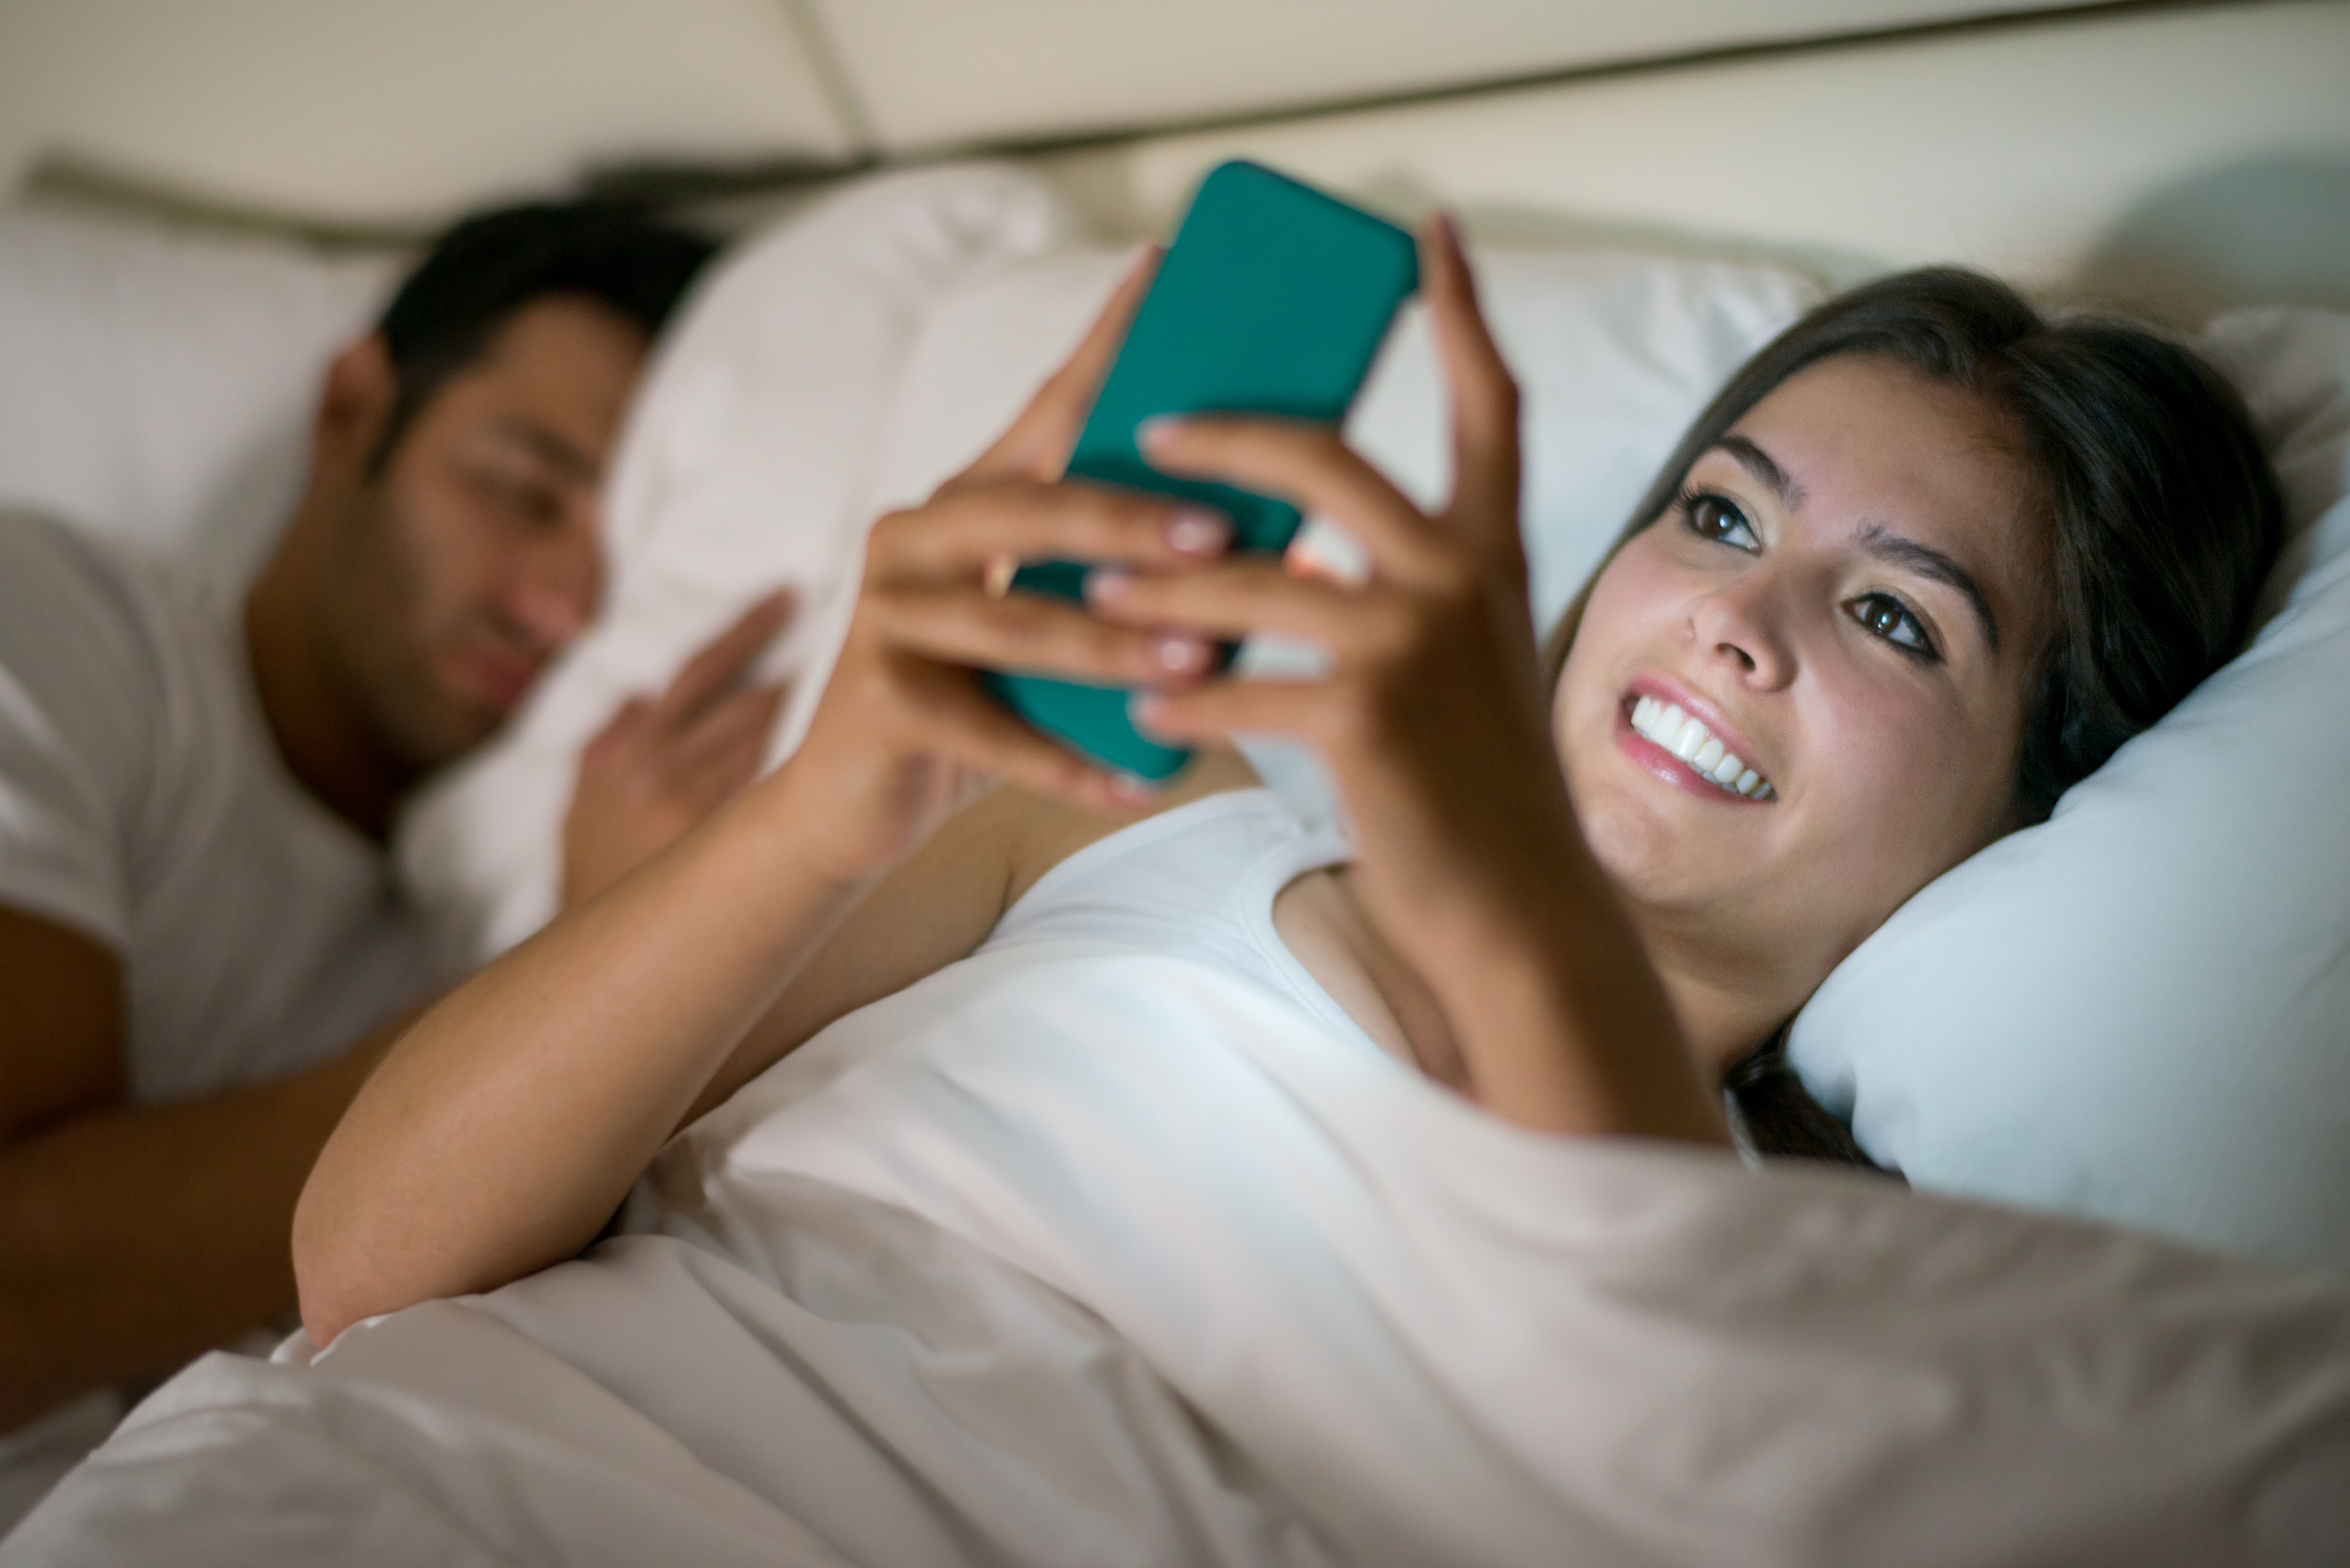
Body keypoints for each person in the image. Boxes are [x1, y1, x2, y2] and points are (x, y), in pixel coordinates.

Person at [292, 217, 2282, 1357]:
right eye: (1717, 513)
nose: (1740, 620)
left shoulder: (1834, 1294)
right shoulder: (1106, 795)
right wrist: (828, 800)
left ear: (2043, 805)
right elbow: (363, 1268)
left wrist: (1500, 892)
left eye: (1899, 621)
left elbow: (1665, 1415)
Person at [0, 201, 791, 1484]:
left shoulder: (474, 870)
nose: (558, 602)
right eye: (521, 487)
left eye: (613, 559)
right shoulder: (60, 634)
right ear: (351, 410)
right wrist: (579, 973)